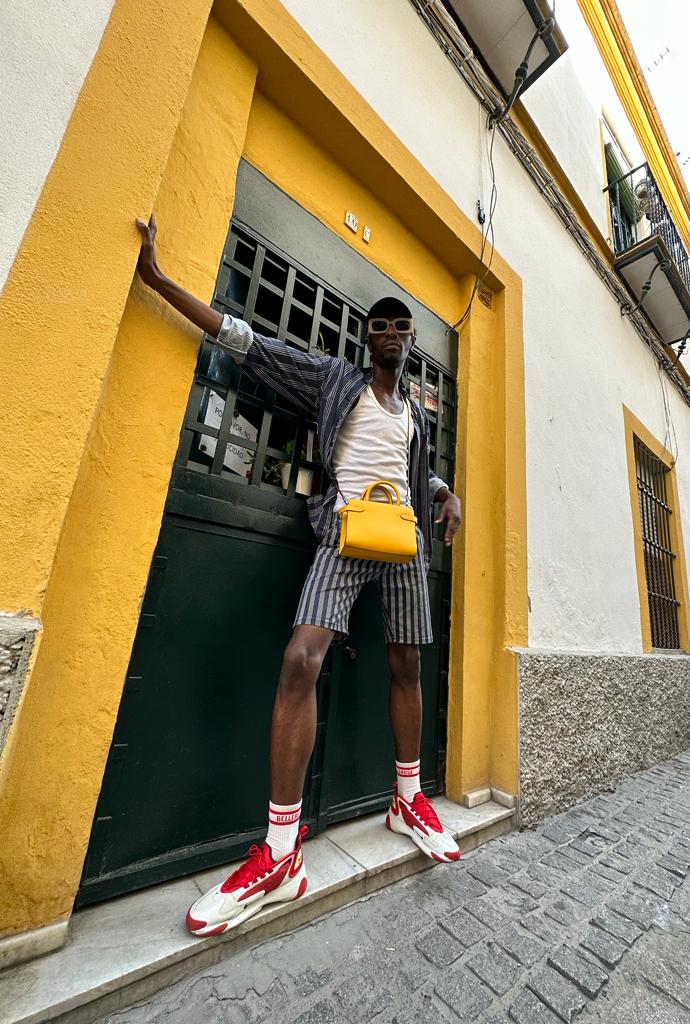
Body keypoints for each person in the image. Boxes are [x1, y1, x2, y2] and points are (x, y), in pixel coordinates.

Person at [135, 215, 463, 938]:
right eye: (379, 323)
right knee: (298, 660)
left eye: (401, 326)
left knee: (408, 665)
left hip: (403, 544)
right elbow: (245, 341)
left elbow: (412, 470)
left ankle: (407, 799)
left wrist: (443, 492)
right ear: (366, 338)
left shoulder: (414, 413)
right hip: (345, 538)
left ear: (410, 345)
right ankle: (283, 853)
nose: (390, 331)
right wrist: (160, 282)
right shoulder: (333, 379)